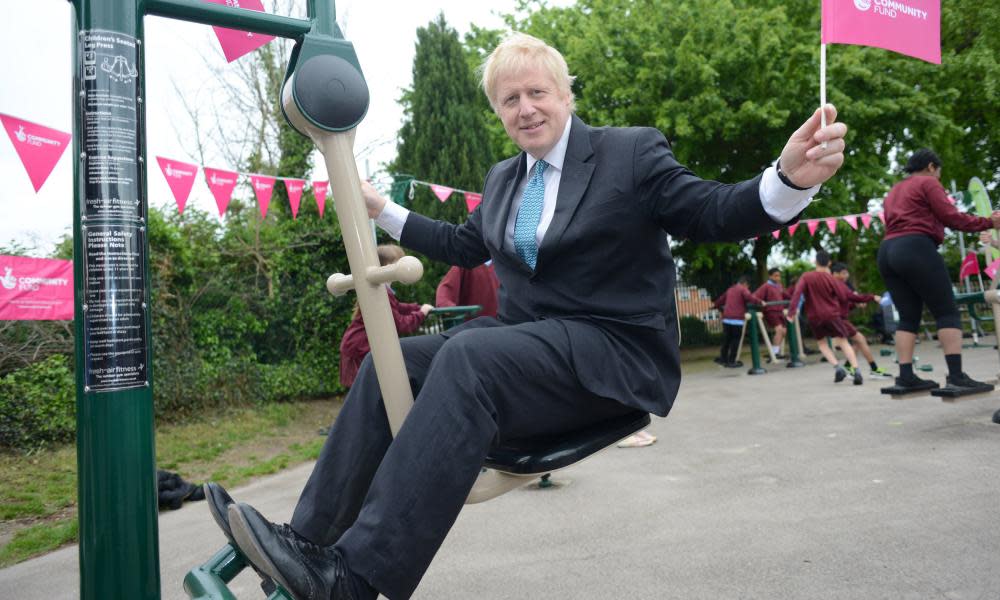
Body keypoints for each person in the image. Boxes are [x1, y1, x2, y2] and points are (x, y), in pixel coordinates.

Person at [210, 33, 849, 600]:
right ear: (499, 113)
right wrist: (379, 208)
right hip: (531, 347)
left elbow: (711, 211)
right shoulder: (507, 179)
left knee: (469, 355)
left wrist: (786, 181)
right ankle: (306, 547)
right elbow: (465, 245)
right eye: (509, 101)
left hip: (610, 352)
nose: (526, 109)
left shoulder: (628, 155)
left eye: (537, 92)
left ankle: (355, 577)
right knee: (392, 361)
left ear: (566, 94)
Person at [877, 148, 1000, 392]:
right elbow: (951, 217)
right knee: (947, 312)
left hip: (887, 251)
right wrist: (989, 222)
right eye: (939, 172)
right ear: (932, 166)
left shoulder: (894, 190)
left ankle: (905, 376)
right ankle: (956, 377)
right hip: (916, 246)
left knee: (908, 315)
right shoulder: (928, 182)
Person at [339, 245, 434, 388]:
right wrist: (421, 313)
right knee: (367, 389)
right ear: (388, 266)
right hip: (360, 349)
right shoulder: (380, 290)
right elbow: (401, 324)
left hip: (359, 346)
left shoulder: (381, 288)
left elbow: (396, 306)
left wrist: (416, 307)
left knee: (371, 389)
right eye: (400, 262)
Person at [788, 251, 863, 385]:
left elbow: (797, 293)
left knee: (822, 343)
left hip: (814, 317)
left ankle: (837, 367)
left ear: (815, 262)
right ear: (829, 263)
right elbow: (842, 296)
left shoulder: (806, 276)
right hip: (832, 314)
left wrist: (791, 312)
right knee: (843, 341)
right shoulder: (831, 279)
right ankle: (856, 370)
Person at [829, 262, 890, 378]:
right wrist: (872, 297)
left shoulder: (839, 285)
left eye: (847, 273)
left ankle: (849, 366)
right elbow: (853, 298)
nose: (846, 275)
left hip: (839, 319)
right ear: (834, 274)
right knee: (860, 339)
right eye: (843, 273)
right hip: (839, 319)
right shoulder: (838, 285)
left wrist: (855, 304)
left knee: (858, 342)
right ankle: (874, 370)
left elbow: (846, 303)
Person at [713, 275, 763, 368]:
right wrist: (760, 302)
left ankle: (723, 358)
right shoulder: (743, 289)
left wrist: (715, 305)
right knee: (735, 341)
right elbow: (749, 297)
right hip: (736, 320)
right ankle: (732, 361)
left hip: (727, 319)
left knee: (727, 340)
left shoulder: (730, 289)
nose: (748, 288)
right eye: (748, 286)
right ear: (745, 284)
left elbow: (721, 300)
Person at [434, 261, 500, 318]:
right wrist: (450, 308)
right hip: (475, 328)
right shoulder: (466, 262)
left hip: (503, 326)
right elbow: (444, 294)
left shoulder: (504, 262)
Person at [754, 268, 790, 358]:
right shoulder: (766, 286)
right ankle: (774, 353)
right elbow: (755, 296)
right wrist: (761, 302)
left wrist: (794, 298)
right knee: (779, 330)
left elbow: (786, 295)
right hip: (771, 311)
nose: (778, 278)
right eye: (776, 276)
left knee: (784, 331)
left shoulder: (779, 286)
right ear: (770, 276)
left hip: (780, 311)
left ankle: (775, 350)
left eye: (779, 276)